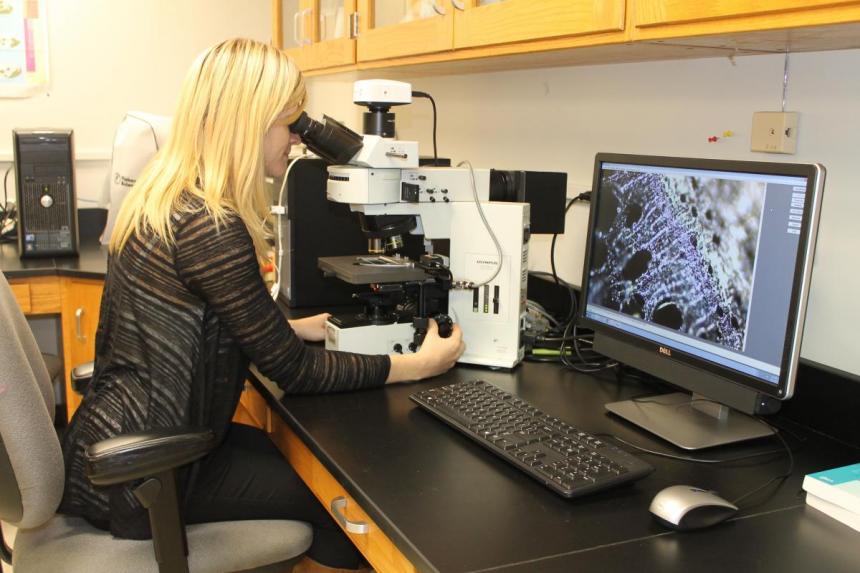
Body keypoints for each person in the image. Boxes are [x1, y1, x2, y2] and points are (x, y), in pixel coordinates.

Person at [59, 38, 465, 573]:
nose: (298, 140)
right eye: (289, 123)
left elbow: (191, 320)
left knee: (306, 468)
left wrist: (292, 328)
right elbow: (293, 374)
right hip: (149, 478)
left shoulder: (166, 194)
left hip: (124, 442)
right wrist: (416, 366)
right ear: (248, 123)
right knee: (346, 512)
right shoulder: (210, 225)